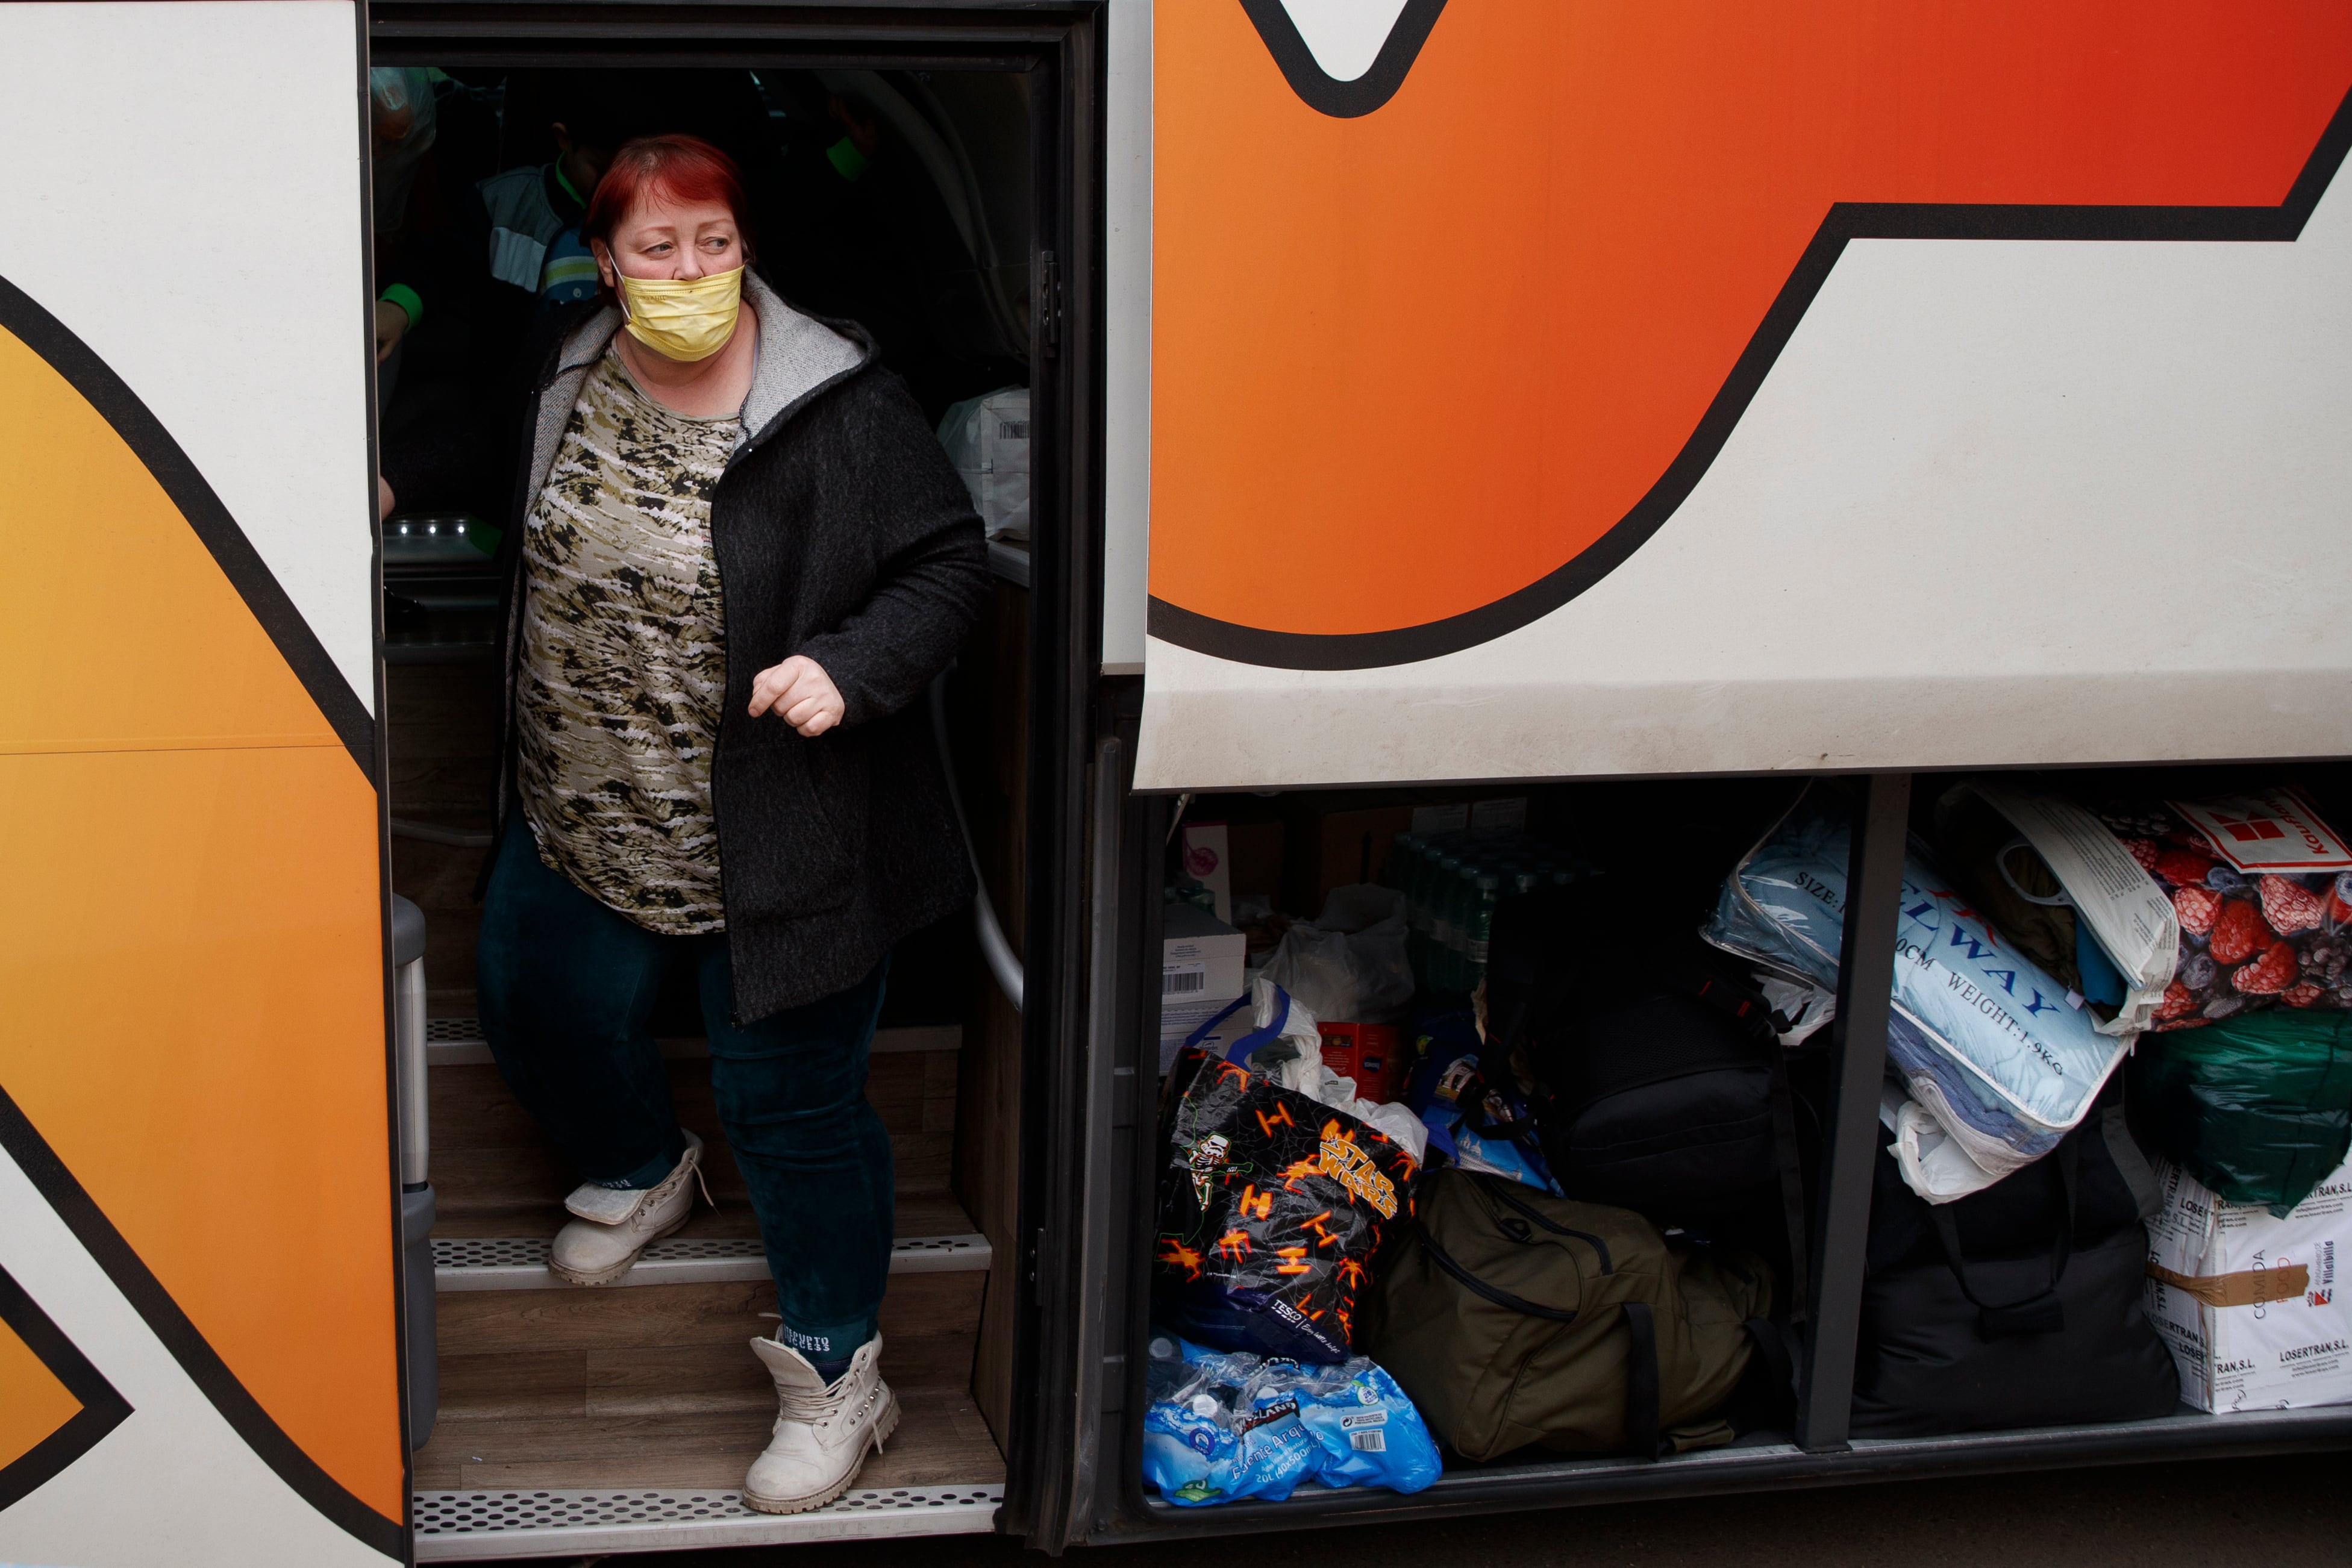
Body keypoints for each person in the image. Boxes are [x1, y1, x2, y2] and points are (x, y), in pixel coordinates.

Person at [474, 133, 987, 1514]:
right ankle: (643, 1165)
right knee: (538, 1015)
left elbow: (947, 568)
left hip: (783, 837)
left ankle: (840, 1375)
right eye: (657, 247)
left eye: (714, 242)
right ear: (606, 261)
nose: (690, 270)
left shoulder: (839, 405)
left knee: (796, 1112)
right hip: (576, 801)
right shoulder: (560, 365)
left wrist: (850, 665)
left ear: (746, 247)